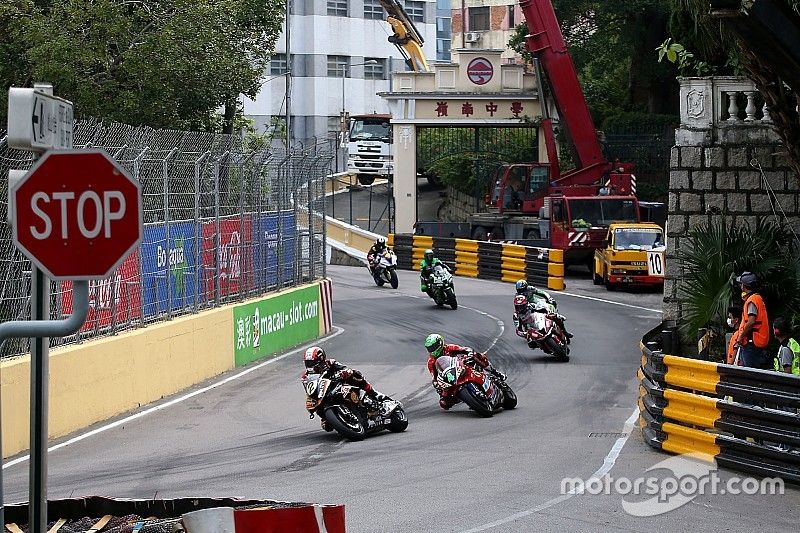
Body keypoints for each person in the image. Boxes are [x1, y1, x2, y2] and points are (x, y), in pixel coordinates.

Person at [301, 346, 388, 430]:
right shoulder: (306, 377)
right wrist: (310, 401)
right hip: (323, 395)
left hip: (339, 386)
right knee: (326, 425)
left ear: (320, 359)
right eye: (308, 363)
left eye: (311, 363)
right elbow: (309, 390)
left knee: (355, 374)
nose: (310, 365)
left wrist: (344, 372)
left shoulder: (330, 363)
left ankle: (373, 393)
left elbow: (345, 368)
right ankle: (332, 418)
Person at [424, 333, 506, 410]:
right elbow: (434, 376)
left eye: (433, 347)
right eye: (429, 348)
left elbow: (465, 349)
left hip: (462, 367)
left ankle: (495, 372)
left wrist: (469, 353)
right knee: (444, 404)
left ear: (440, 343)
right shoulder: (431, 361)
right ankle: (470, 399)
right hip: (450, 377)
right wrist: (438, 385)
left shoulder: (449, 348)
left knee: (478, 356)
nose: (431, 350)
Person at [733, 272, 771, 369]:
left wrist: (741, 337)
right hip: (755, 342)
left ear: (744, 286)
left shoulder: (752, 301)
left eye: (741, 284)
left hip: (751, 343)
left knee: (750, 373)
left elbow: (751, 322)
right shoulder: (757, 298)